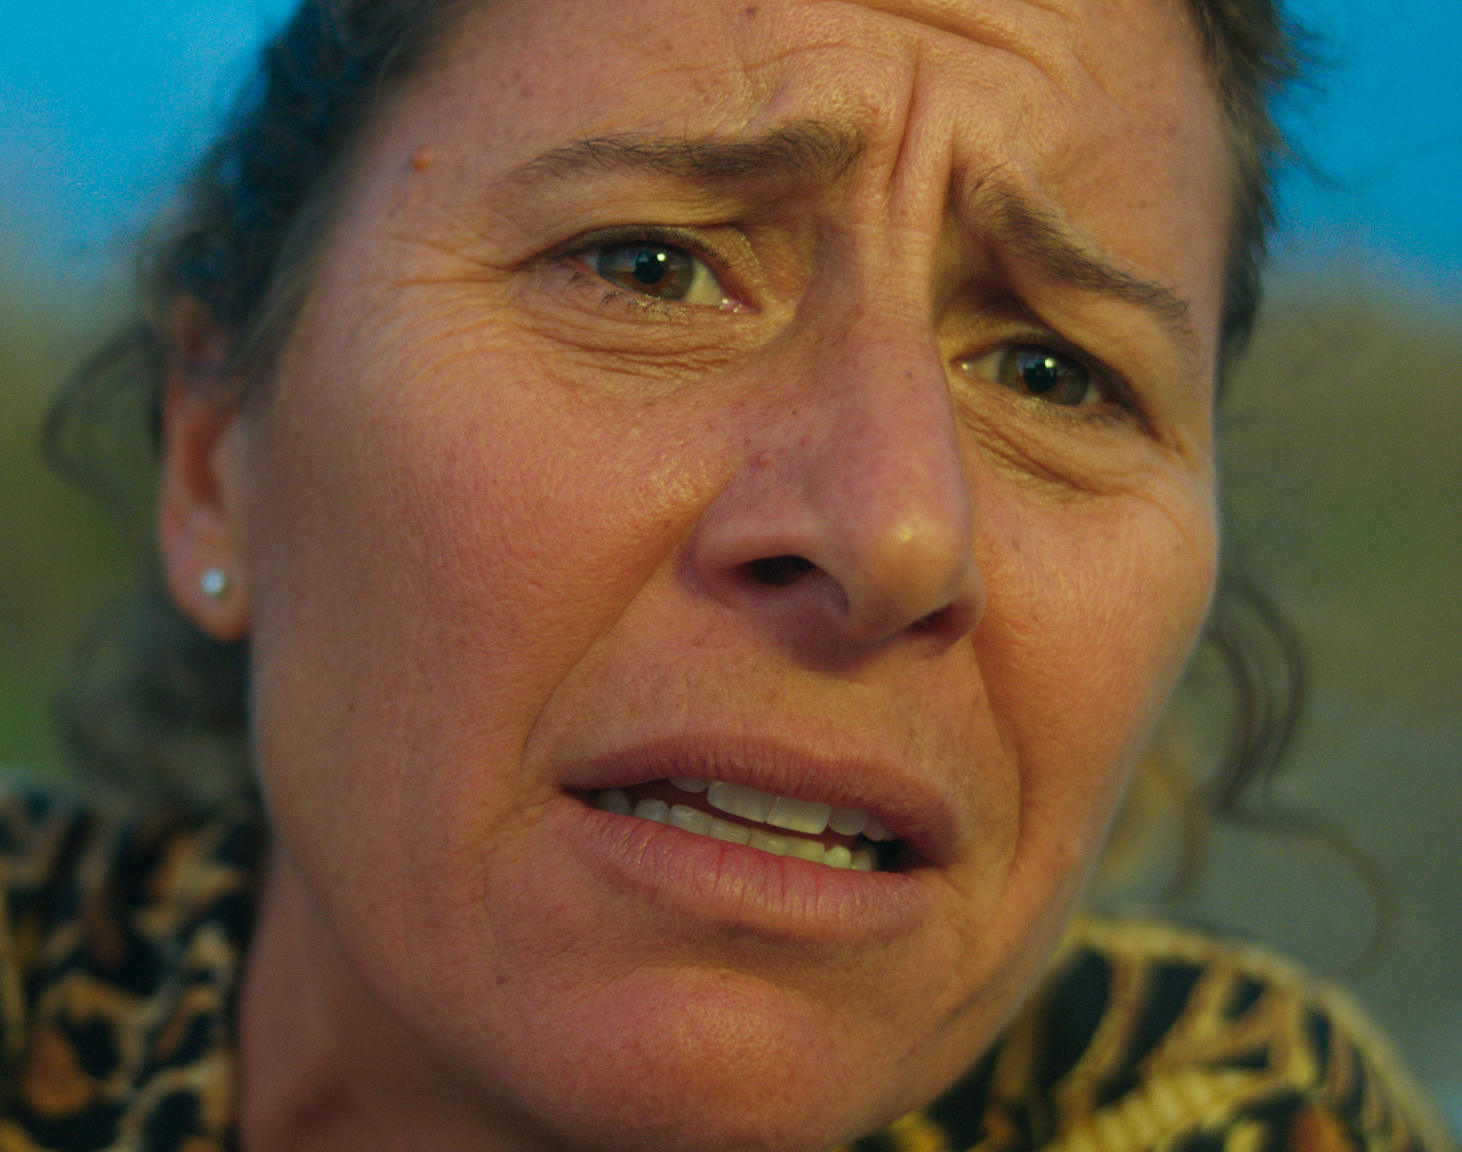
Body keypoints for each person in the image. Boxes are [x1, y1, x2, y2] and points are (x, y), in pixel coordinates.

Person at [3, 0, 1456, 1150]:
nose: (898, 532)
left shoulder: (1236, 1109)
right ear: (216, 459)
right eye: (649, 269)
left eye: (1049, 374)